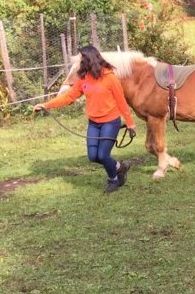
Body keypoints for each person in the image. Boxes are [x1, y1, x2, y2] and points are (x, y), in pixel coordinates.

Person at [34, 45, 137, 194]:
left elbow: (121, 101)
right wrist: (46, 105)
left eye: (81, 59)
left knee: (103, 155)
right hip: (94, 123)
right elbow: (69, 97)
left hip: (110, 121)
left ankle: (113, 180)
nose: (79, 62)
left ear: (90, 60)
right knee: (93, 156)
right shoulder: (83, 79)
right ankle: (119, 167)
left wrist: (130, 122)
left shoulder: (110, 78)